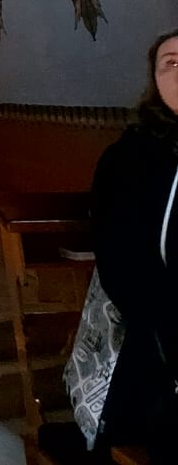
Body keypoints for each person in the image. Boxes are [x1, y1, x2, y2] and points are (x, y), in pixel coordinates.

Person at [91, 30, 178, 453]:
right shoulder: (129, 158)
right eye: (171, 63)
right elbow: (121, 264)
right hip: (160, 332)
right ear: (155, 80)